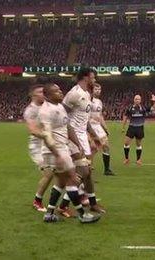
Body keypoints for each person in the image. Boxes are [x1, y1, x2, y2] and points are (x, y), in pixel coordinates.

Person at [39, 83, 101, 224]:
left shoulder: (59, 106)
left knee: (61, 181)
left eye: (60, 90)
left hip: (63, 147)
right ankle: (82, 214)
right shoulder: (45, 111)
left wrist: (78, 144)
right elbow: (47, 136)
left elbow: (68, 126)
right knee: (72, 179)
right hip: (55, 150)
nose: (60, 93)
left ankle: (49, 214)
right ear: (47, 96)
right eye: (56, 91)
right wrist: (58, 155)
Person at [62, 67, 105, 213]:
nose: (95, 80)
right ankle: (64, 205)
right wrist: (73, 140)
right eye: (93, 78)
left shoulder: (87, 94)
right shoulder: (74, 94)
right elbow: (62, 117)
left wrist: (94, 136)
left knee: (87, 173)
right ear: (86, 78)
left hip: (82, 136)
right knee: (82, 171)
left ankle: (91, 203)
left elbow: (85, 120)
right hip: (72, 137)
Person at [23, 84, 53, 212]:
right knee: (49, 173)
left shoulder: (48, 106)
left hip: (49, 143)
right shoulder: (30, 110)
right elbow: (33, 130)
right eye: (40, 92)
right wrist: (48, 136)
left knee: (66, 170)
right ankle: (37, 201)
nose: (43, 93)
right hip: (37, 146)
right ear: (33, 95)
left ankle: (78, 197)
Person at [122, 94, 155, 166]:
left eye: (138, 99)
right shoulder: (130, 108)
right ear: (134, 100)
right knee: (126, 143)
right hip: (131, 128)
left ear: (140, 100)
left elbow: (154, 109)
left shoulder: (143, 108)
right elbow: (125, 116)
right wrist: (123, 126)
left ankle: (138, 160)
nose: (137, 100)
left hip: (140, 128)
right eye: (136, 99)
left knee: (138, 144)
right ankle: (126, 158)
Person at [89, 83, 114, 176]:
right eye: (96, 89)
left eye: (99, 89)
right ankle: (87, 170)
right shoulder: (88, 100)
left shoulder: (99, 102)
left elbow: (100, 116)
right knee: (93, 148)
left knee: (106, 146)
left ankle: (107, 169)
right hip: (89, 126)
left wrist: (105, 128)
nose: (98, 91)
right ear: (92, 90)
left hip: (97, 127)